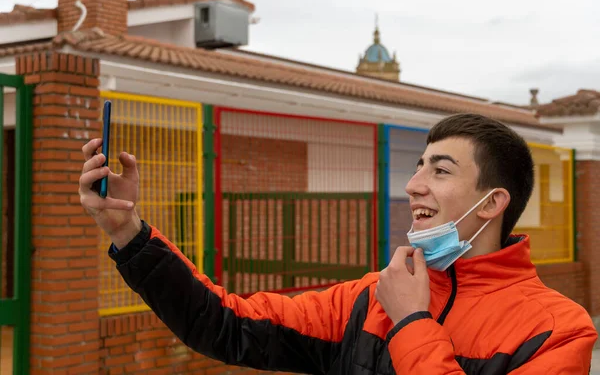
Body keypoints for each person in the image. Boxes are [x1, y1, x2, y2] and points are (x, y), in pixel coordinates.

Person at [79, 113, 597, 374]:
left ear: (491, 203)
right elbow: (225, 323)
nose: (415, 184)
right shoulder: (368, 297)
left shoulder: (558, 330)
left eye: (440, 170)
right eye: (418, 167)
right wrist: (127, 231)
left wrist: (413, 323)